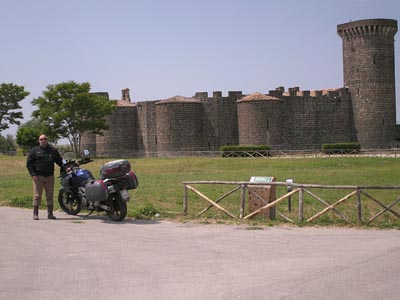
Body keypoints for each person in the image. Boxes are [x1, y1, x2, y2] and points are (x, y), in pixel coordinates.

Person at [26, 134, 64, 220]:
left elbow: (59, 161)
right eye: (41, 139)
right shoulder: (34, 151)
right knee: (37, 195)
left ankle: (50, 214)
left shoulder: (53, 150)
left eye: (45, 139)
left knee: (50, 195)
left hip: (49, 176)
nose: (43, 140)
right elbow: (29, 164)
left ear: (47, 140)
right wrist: (33, 174)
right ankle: (35, 214)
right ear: (39, 141)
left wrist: (66, 167)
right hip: (38, 177)